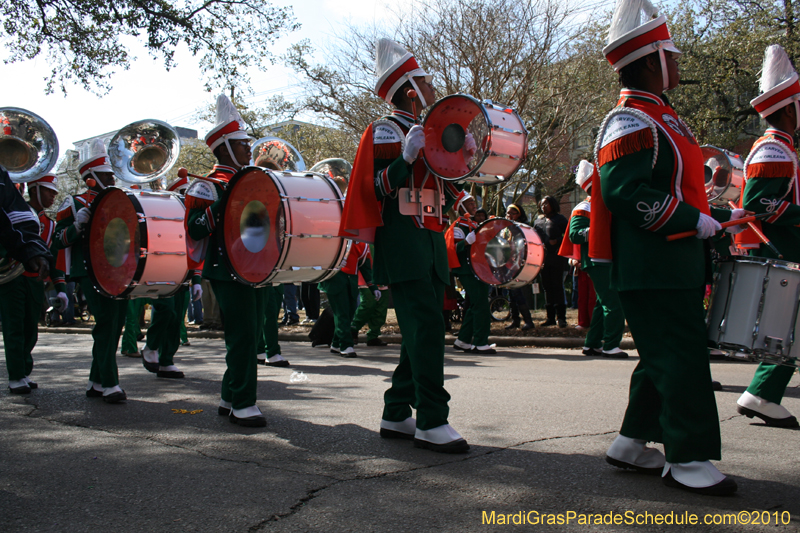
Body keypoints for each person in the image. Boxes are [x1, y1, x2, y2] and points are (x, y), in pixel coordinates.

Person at [593, 0, 746, 495]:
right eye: (672, 55)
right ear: (651, 60)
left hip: (671, 261)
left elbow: (683, 193)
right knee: (680, 356)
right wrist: (691, 221)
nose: (678, 64)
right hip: (651, 263)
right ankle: (688, 458)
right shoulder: (630, 120)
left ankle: (632, 443)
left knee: (662, 354)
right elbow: (624, 193)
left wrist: (721, 217)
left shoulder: (664, 118)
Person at [339, 38, 470, 453]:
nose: (434, 89)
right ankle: (433, 419)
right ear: (412, 90)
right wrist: (405, 159)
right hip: (402, 243)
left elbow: (447, 189)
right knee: (427, 328)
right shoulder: (383, 130)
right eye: (427, 83)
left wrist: (464, 160)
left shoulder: (431, 132)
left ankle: (396, 411)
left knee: (422, 329)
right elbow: (371, 189)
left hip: (429, 243)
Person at [184, 94, 266, 428]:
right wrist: (227, 200)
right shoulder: (206, 185)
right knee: (243, 335)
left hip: (256, 266)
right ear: (224, 149)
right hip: (226, 268)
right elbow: (194, 229)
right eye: (242, 144)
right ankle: (243, 403)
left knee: (251, 333)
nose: (249, 148)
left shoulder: (251, 179)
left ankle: (229, 395)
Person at [733, 44, 800, 429]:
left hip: (788, 248)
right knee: (786, 327)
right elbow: (759, 204)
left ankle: (762, 392)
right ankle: (761, 392)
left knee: (788, 327)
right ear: (789, 107)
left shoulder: (783, 148)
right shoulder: (773, 148)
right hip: (783, 250)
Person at [52, 139, 129, 403]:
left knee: (115, 325)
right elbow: (57, 240)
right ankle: (110, 383)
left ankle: (95, 381)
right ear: (91, 178)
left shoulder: (119, 201)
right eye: (107, 174)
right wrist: (76, 226)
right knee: (107, 323)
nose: (112, 177)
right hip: (89, 271)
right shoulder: (72, 203)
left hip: (117, 271)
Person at [559, 161, 627, 358]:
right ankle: (611, 344)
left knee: (602, 302)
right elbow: (575, 235)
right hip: (596, 261)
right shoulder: (584, 207)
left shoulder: (606, 205)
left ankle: (592, 343)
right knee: (614, 302)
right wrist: (598, 229)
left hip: (605, 259)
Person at [0, 173, 59, 393]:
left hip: (34, 278)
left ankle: (23, 371)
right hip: (12, 274)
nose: (53, 196)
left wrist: (57, 285)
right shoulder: (13, 207)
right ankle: (15, 375)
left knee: (30, 329)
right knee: (14, 327)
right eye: (49, 191)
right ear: (34, 190)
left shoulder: (47, 221)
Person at [140, 175, 202, 379]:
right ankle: (151, 346)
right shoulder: (163, 215)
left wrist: (197, 280)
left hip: (183, 273)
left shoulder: (192, 217)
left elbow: (197, 249)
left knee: (177, 320)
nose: (187, 199)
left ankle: (167, 360)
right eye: (183, 194)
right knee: (165, 311)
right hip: (163, 271)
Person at [446, 191, 495, 354]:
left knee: (475, 305)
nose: (474, 205)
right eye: (470, 203)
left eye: (474, 202)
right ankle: (480, 342)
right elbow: (454, 249)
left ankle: (463, 340)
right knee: (481, 305)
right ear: (461, 207)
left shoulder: (474, 225)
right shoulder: (459, 226)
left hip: (478, 268)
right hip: (468, 270)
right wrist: (466, 242)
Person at [320, 240, 378, 357]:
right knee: (342, 314)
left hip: (351, 281)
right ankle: (346, 345)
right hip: (334, 280)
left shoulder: (362, 245)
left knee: (350, 313)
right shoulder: (334, 240)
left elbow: (365, 267)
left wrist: (373, 287)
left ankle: (336, 344)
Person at [534, 196, 569, 327]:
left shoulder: (560, 219)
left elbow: (568, 235)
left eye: (546, 204)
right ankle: (550, 318)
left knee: (557, 286)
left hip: (557, 257)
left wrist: (557, 241)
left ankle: (561, 317)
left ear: (552, 204)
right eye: (542, 204)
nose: (544, 206)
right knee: (547, 287)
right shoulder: (538, 221)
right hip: (543, 258)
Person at [503, 204, 535, 331]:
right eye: (508, 213)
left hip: (520, 264)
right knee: (511, 293)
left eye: (513, 213)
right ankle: (515, 320)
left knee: (518, 292)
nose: (509, 215)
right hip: (508, 263)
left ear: (519, 214)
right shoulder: (505, 228)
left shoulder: (524, 228)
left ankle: (528, 321)